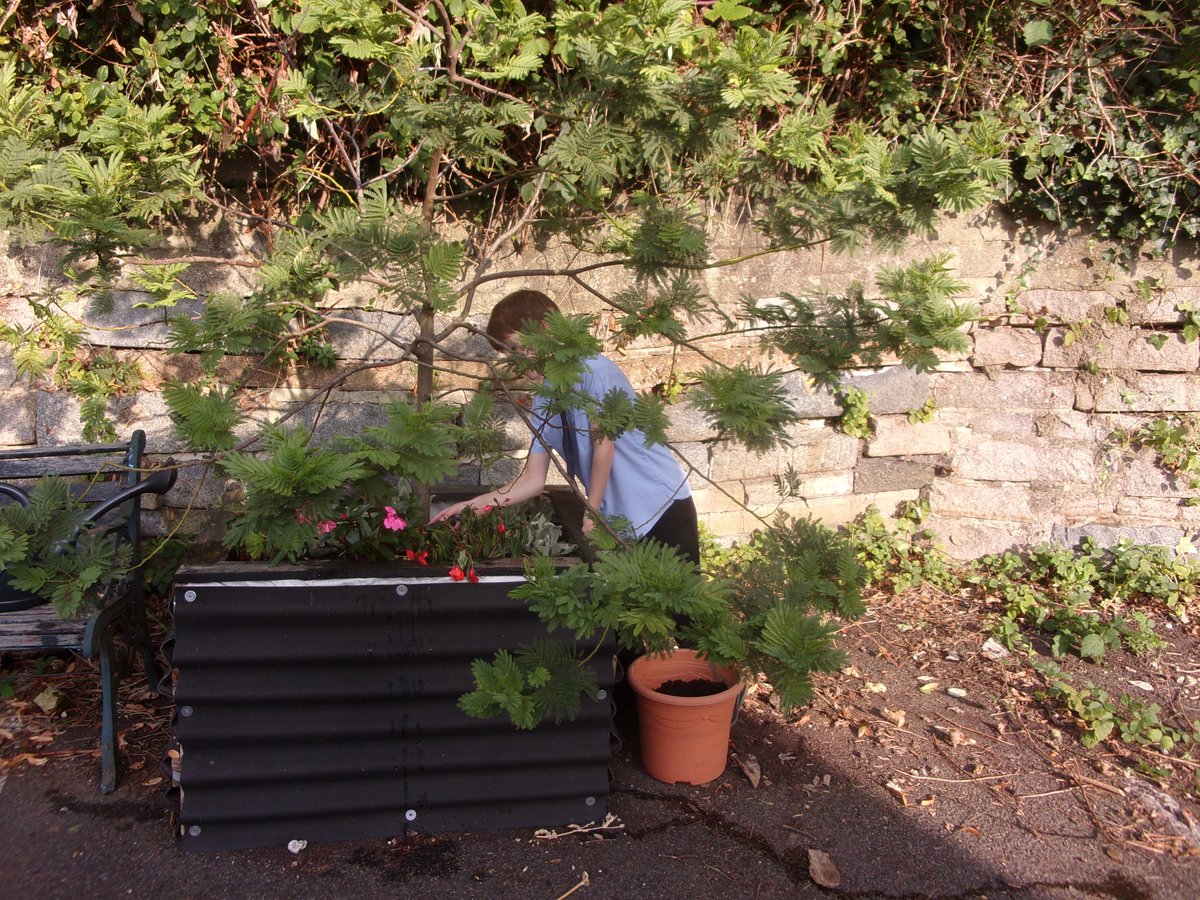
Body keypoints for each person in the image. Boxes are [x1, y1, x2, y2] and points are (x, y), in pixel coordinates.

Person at [431, 289, 699, 565]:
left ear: (546, 329)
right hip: (619, 522)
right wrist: (470, 507)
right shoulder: (547, 395)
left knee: (677, 604)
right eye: (506, 354)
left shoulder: (593, 369)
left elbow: (603, 443)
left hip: (661, 505)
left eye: (514, 348)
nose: (514, 361)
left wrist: (592, 511)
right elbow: (532, 481)